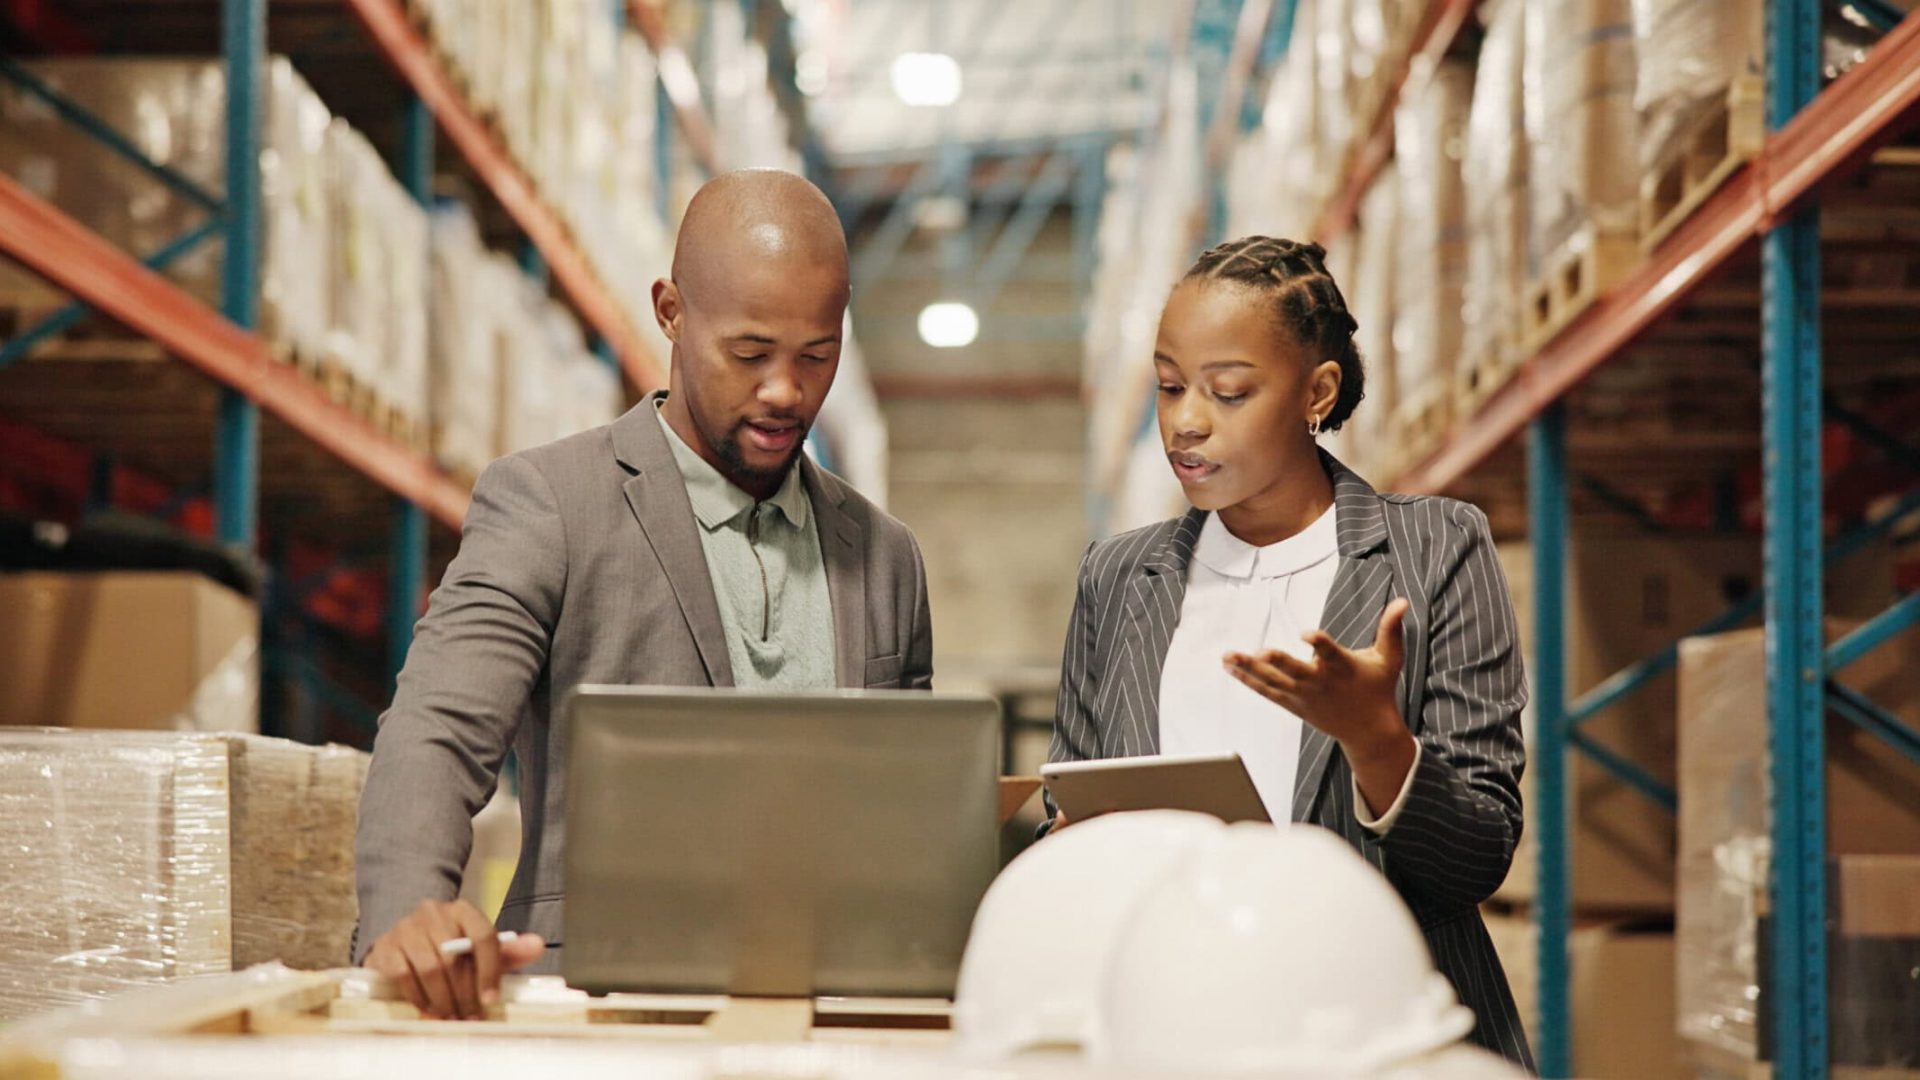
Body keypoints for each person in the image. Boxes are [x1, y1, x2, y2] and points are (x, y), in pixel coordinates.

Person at [354, 169, 933, 1020]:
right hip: (596, 1013)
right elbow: (437, 730)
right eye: (749, 354)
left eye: (817, 355)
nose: (785, 391)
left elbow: (905, 815)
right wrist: (409, 914)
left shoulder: (885, 557)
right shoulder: (550, 504)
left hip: (835, 1021)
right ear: (670, 311)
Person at [1047, 235, 1533, 1069]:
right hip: (1174, 1034)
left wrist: (1375, 738)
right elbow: (1080, 810)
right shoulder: (1120, 578)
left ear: (1318, 392)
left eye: (1228, 392)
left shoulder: (1437, 550)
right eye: (1169, 386)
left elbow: (1476, 859)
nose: (1186, 421)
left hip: (1377, 1040)